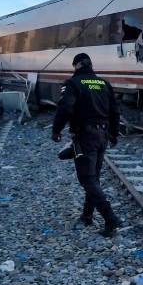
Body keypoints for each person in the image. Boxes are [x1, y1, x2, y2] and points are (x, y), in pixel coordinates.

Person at [52, 53, 122, 237]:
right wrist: (114, 134)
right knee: (93, 178)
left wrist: (56, 130)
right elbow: (115, 111)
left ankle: (110, 217)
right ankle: (87, 215)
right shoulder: (103, 84)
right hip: (102, 135)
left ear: (77, 65)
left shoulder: (73, 83)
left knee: (87, 179)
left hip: (86, 136)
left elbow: (65, 107)